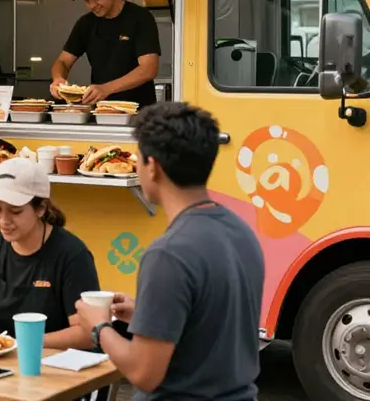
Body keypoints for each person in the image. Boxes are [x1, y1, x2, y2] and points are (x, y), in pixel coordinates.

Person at [76, 102, 265, 400]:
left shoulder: (168, 254)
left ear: (153, 167)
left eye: (138, 158)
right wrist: (144, 312)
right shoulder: (241, 231)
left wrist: (98, 328)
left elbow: (143, 373)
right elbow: (211, 321)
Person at [0, 157, 100, 350]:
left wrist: (23, 343)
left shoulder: (72, 254)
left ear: (41, 209)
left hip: (59, 365)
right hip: (3, 360)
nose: (3, 220)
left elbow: (86, 333)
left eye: (16, 211)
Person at [50, 0, 161, 108]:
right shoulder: (86, 23)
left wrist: (105, 89)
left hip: (139, 113)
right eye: (86, 0)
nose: (91, 5)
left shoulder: (140, 18)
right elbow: (63, 61)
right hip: (102, 112)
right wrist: (58, 78)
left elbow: (149, 68)